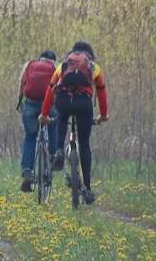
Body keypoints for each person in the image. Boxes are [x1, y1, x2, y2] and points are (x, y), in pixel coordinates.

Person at [40, 41, 109, 205]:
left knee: (62, 119)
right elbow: (102, 93)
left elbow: (50, 90)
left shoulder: (63, 65)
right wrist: (103, 115)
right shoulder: (94, 67)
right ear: (89, 54)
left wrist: (44, 114)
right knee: (84, 145)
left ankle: (58, 151)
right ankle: (88, 188)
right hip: (84, 105)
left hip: (63, 101)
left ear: (73, 53)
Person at [17, 50, 59, 192]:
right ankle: (53, 156)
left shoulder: (30, 65)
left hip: (30, 105)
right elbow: (58, 90)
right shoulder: (55, 69)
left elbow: (22, 85)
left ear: (40, 58)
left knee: (30, 137)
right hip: (49, 106)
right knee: (54, 125)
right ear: (53, 61)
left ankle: (27, 171)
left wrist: (20, 103)